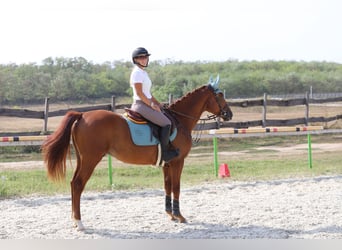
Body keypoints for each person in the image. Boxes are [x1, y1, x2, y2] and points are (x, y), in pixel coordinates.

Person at [130, 47, 179, 163]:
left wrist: (158, 104)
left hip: (146, 103)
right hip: (141, 105)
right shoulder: (137, 73)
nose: (144, 59)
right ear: (135, 60)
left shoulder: (143, 73)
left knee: (165, 115)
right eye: (141, 57)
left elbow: (148, 93)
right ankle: (164, 153)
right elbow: (139, 93)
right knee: (166, 123)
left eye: (145, 57)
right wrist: (151, 105)